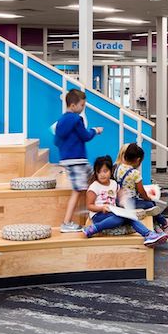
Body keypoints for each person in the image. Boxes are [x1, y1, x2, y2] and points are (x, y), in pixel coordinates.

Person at [81, 155, 168, 245]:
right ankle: (94, 228)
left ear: (111, 172)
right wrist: (102, 208)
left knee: (129, 217)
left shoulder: (114, 184)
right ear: (96, 173)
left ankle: (149, 235)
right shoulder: (94, 187)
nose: (102, 174)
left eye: (105, 171)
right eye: (99, 172)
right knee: (120, 219)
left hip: (113, 213)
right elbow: (89, 206)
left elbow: (120, 194)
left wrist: (123, 199)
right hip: (99, 215)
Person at [53, 86, 100, 233]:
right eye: (82, 105)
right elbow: (85, 136)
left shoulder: (60, 121)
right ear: (73, 105)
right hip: (77, 160)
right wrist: (95, 131)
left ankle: (94, 211)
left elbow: (56, 141)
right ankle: (66, 222)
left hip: (71, 159)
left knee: (95, 178)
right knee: (78, 190)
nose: (82, 108)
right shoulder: (76, 119)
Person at [116, 143, 168, 231]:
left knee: (151, 205)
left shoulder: (119, 168)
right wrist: (148, 198)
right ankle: (163, 223)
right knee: (151, 205)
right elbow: (141, 191)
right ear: (138, 160)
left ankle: (158, 226)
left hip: (119, 200)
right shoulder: (135, 173)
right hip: (130, 202)